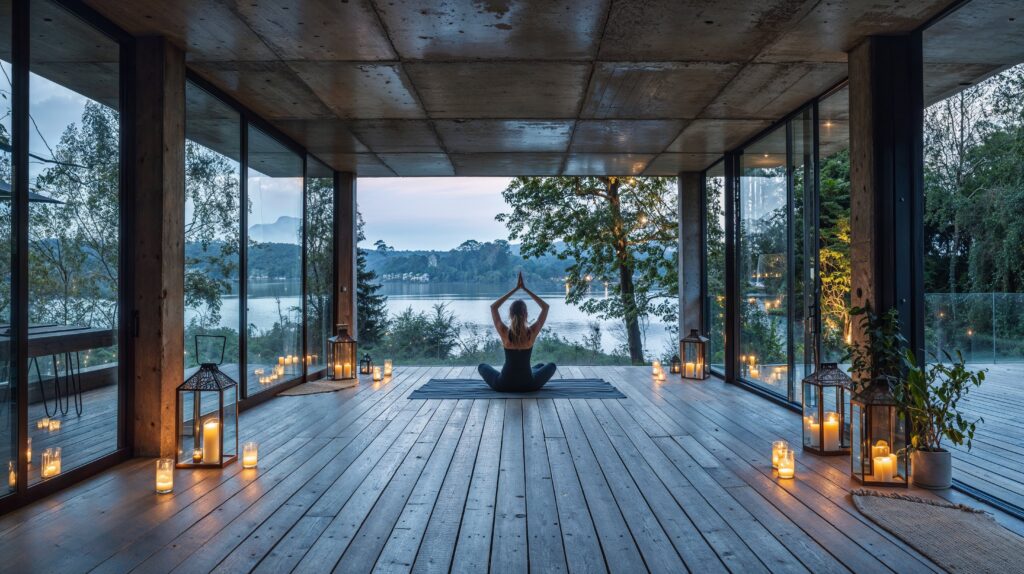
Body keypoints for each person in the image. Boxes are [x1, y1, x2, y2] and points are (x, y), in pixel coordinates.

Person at [478, 272, 556, 392]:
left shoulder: (504, 332)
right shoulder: (532, 332)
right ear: (526, 314)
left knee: (482, 366)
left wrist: (515, 289)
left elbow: (493, 307)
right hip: (529, 384)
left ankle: (531, 371)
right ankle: (532, 371)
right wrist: (525, 289)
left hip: (504, 384)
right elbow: (545, 307)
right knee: (550, 366)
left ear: (510, 313)